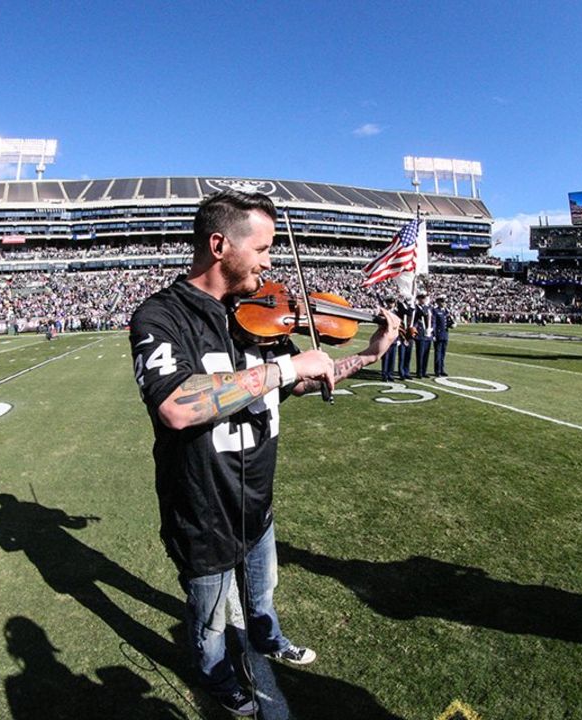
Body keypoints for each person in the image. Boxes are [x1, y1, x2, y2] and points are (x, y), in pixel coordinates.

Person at [128, 190, 399, 716]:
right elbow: (178, 406)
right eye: (262, 248)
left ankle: (268, 637)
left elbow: (303, 380)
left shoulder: (261, 316)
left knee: (262, 591)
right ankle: (215, 674)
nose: (271, 261)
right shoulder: (160, 317)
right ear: (218, 245)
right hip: (202, 507)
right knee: (208, 618)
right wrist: (282, 370)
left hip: (258, 498)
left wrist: (366, 355)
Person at [431, 295, 455, 376]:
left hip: (445, 334)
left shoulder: (446, 311)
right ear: (438, 302)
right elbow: (434, 323)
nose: (444, 303)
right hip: (438, 334)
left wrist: (451, 325)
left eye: (444, 301)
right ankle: (437, 371)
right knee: (438, 354)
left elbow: (447, 322)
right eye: (442, 301)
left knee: (443, 354)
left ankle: (442, 369)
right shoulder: (435, 311)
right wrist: (433, 334)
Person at [412, 291, 433, 378]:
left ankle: (424, 371)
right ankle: (419, 372)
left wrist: (431, 329)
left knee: (426, 354)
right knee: (420, 354)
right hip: (420, 333)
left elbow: (432, 319)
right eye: (421, 298)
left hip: (427, 334)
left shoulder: (428, 308)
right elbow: (420, 315)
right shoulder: (416, 308)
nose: (423, 299)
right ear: (418, 299)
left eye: (424, 298)